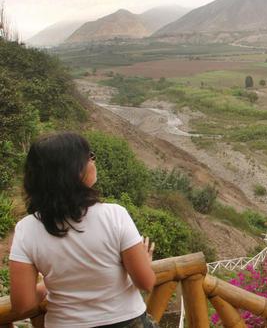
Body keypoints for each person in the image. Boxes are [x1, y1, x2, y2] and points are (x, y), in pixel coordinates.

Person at [9, 132, 158, 327]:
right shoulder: (115, 215)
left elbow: (23, 305)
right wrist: (144, 262)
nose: (93, 162)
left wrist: (52, 285)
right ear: (75, 170)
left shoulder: (26, 229)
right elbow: (146, 283)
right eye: (89, 157)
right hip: (126, 321)